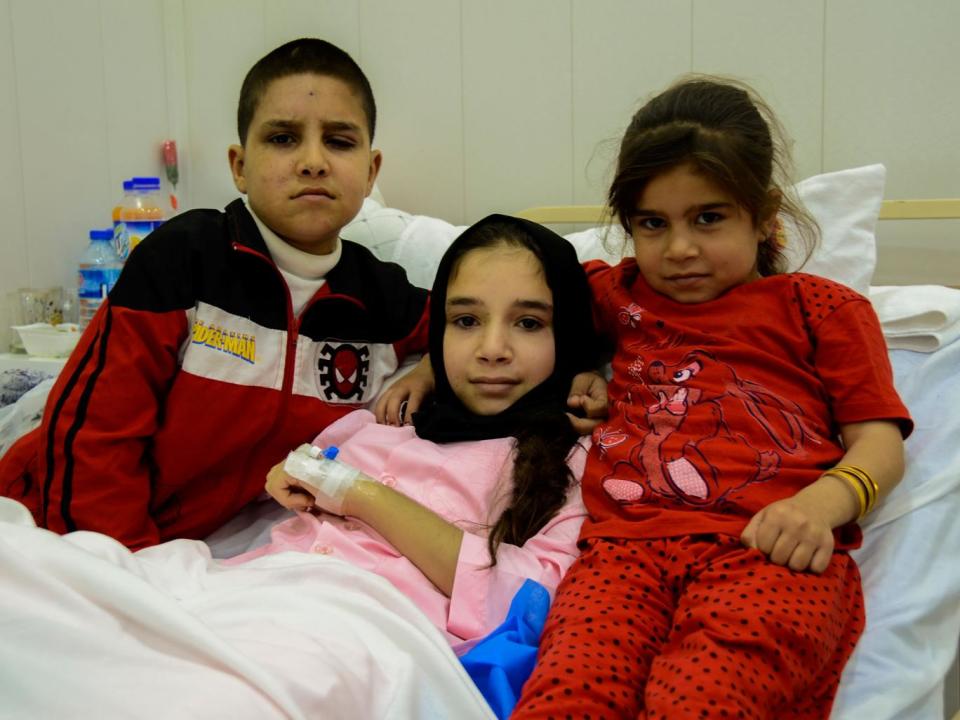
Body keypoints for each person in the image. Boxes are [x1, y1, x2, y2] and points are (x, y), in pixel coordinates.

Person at [511, 77, 913, 719]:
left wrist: (818, 507)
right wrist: (426, 371)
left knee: (705, 705)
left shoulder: (821, 310)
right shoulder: (619, 295)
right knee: (565, 703)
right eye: (652, 223)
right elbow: (498, 305)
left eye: (709, 217)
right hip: (619, 559)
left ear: (765, 213)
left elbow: (880, 443)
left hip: (767, 552)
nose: (679, 249)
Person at [0, 39, 430, 549]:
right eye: (283, 138)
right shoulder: (184, 261)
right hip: (56, 522)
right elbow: (94, 439)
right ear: (240, 166)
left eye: (339, 141)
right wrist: (131, 569)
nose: (313, 161)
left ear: (371, 171)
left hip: (206, 551)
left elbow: (497, 327)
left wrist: (431, 367)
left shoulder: (382, 298)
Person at [231, 213, 600, 648]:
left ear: (569, 333)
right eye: (466, 321)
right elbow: (303, 472)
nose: (492, 350)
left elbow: (531, 602)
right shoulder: (386, 421)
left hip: (359, 643)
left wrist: (364, 497)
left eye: (529, 323)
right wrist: (289, 476)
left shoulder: (574, 466)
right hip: (246, 596)